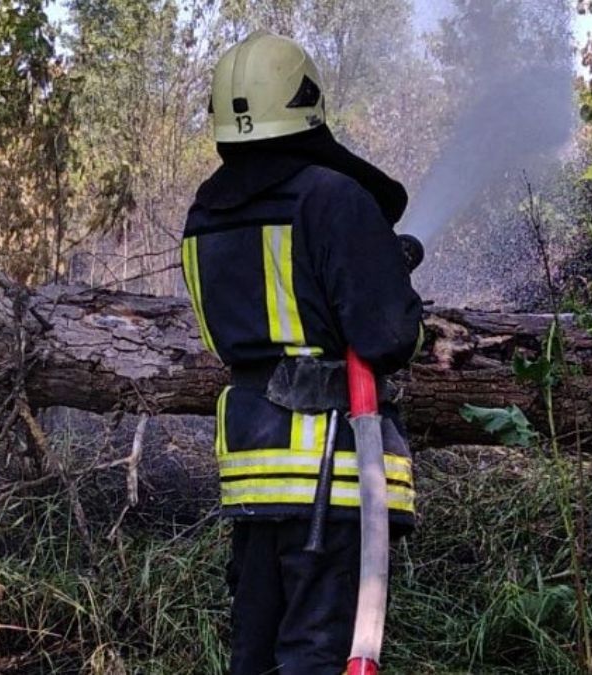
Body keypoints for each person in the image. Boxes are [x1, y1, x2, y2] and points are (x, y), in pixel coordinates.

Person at [180, 30, 423, 675]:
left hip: (255, 475)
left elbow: (252, 329)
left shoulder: (203, 216)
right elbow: (386, 337)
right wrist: (388, 281)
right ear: (306, 101)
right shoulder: (332, 197)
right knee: (318, 655)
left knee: (254, 655)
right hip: (332, 474)